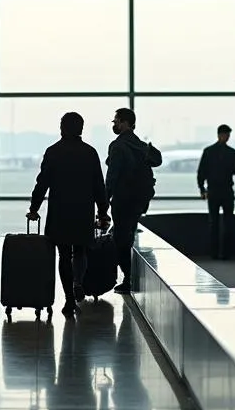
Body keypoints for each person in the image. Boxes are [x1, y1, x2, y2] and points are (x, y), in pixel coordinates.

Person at [27, 112, 110, 317]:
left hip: (60, 211)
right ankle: (78, 282)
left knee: (64, 255)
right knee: (80, 250)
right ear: (81, 129)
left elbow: (42, 183)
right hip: (82, 210)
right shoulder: (90, 153)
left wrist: (34, 208)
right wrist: (102, 211)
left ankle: (69, 300)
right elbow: (99, 185)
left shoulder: (53, 152)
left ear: (62, 128)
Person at [105, 107, 162, 294]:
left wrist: (104, 202)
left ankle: (127, 280)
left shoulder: (118, 146)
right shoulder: (141, 146)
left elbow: (112, 176)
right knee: (127, 234)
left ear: (124, 123)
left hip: (122, 199)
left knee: (121, 238)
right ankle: (127, 276)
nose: (114, 124)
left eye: (116, 121)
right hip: (139, 200)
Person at [197, 123, 235, 260]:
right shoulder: (232, 153)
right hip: (225, 191)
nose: (227, 137)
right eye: (226, 134)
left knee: (215, 223)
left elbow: (201, 172)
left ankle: (215, 253)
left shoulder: (209, 152)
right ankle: (224, 253)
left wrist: (202, 189)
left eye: (228, 135)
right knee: (226, 223)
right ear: (221, 135)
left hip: (215, 191)